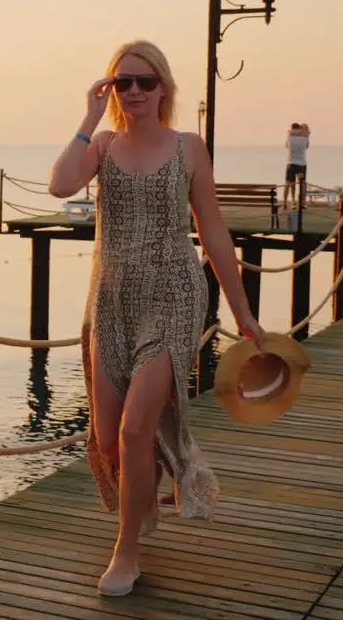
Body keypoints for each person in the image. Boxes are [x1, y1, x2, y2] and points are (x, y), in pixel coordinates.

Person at [46, 40, 265, 597]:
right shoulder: (100, 145)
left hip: (172, 294)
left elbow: (213, 231)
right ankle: (141, 502)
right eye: (124, 83)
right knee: (109, 436)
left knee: (135, 426)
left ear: (164, 86)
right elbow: (59, 185)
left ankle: (127, 553)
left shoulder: (188, 148)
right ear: (111, 89)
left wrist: (243, 314)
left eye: (146, 81)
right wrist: (89, 117)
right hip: (112, 299)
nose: (136, 91)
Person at [282, 122, 310, 211]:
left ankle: (285, 204)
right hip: (301, 164)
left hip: (291, 163)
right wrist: (305, 135)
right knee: (302, 184)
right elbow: (307, 146)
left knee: (288, 184)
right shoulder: (304, 138)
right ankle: (301, 204)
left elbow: (286, 145)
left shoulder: (289, 136)